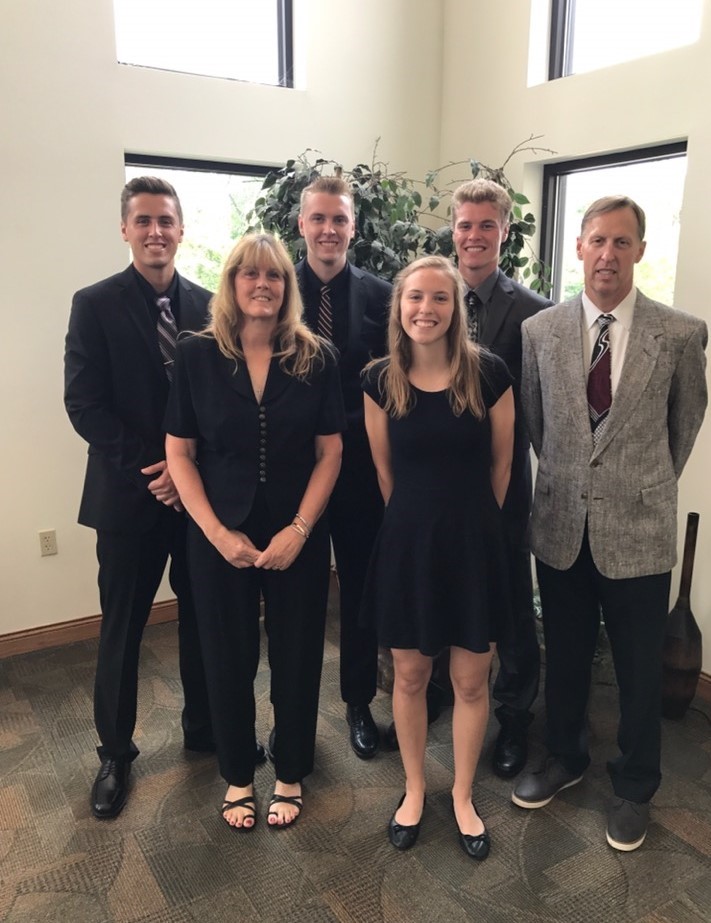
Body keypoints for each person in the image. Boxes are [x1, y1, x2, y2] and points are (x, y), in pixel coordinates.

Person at [512, 196, 707, 852]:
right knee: (563, 656)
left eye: (621, 242)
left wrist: (636, 484)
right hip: (563, 524)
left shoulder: (679, 334)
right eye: (596, 240)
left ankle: (633, 784)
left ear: (639, 251)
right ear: (578, 248)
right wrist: (581, 482)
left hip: (639, 531)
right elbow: (538, 426)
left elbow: (681, 429)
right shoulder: (539, 332)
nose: (606, 253)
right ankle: (564, 757)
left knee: (636, 670)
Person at [165, 233, 344, 830]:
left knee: (296, 655)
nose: (262, 284)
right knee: (226, 655)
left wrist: (299, 528)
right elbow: (181, 454)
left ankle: (290, 770)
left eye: (273, 275)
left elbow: (330, 453)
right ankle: (239, 773)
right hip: (219, 534)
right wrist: (215, 532)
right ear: (232, 283)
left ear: (287, 286)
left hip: (297, 533)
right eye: (250, 274)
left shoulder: (316, 357)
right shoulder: (196, 355)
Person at [64, 176, 219, 819]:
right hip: (129, 499)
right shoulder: (93, 304)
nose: (156, 231)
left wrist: (189, 473)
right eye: (143, 221)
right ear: (125, 230)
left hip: (198, 502)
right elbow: (85, 404)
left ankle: (204, 728)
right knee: (122, 628)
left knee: (203, 620)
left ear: (182, 231)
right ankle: (115, 754)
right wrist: (155, 469)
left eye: (166, 221)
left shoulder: (212, 307)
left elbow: (224, 404)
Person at [361, 255, 515, 859]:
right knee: (410, 675)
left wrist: (468, 523)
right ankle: (416, 788)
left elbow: (502, 467)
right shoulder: (380, 379)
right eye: (414, 298)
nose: (426, 309)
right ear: (399, 307)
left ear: (456, 309)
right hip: (408, 546)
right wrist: (419, 523)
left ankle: (463, 795)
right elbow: (383, 471)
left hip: (475, 545)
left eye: (439, 299)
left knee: (472, 681)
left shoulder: (490, 373)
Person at [427, 179, 552, 778]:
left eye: (486, 226)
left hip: (501, 486)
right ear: (451, 229)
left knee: (505, 598)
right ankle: (436, 691)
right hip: (434, 483)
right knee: (437, 587)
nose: (473, 236)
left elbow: (537, 407)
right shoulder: (427, 297)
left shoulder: (534, 314)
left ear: (505, 232)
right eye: (463, 224)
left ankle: (514, 718)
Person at [294, 176, 392, 759]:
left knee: (359, 594)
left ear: (353, 227)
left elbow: (394, 383)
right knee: (299, 599)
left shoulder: (383, 296)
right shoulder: (275, 290)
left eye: (340, 220)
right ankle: (295, 712)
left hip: (359, 474)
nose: (329, 229)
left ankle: (358, 703)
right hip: (295, 473)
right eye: (319, 219)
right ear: (302, 225)